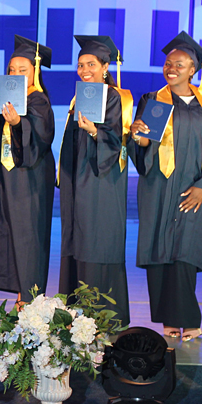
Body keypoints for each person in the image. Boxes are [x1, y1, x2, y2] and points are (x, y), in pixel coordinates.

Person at [130, 31, 202, 342]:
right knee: (159, 253)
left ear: (194, 69)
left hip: (195, 189)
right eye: (168, 63)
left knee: (185, 255)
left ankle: (188, 318)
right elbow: (143, 144)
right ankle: (168, 321)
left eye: (179, 64)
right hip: (159, 188)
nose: (171, 68)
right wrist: (137, 137)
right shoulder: (154, 101)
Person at [0, 35, 55, 307]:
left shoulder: (39, 100)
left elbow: (41, 137)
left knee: (29, 234)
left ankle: (30, 298)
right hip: (6, 178)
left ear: (35, 71)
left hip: (29, 179)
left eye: (23, 69)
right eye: (12, 70)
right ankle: (20, 293)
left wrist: (20, 122)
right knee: (12, 232)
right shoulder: (5, 99)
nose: (16, 74)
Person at [57, 35, 130, 327]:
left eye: (91, 64)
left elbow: (117, 144)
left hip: (102, 184)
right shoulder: (80, 97)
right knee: (78, 242)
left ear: (105, 66)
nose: (84, 69)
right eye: (80, 65)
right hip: (78, 183)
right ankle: (78, 319)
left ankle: (103, 320)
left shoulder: (115, 97)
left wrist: (93, 132)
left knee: (97, 243)